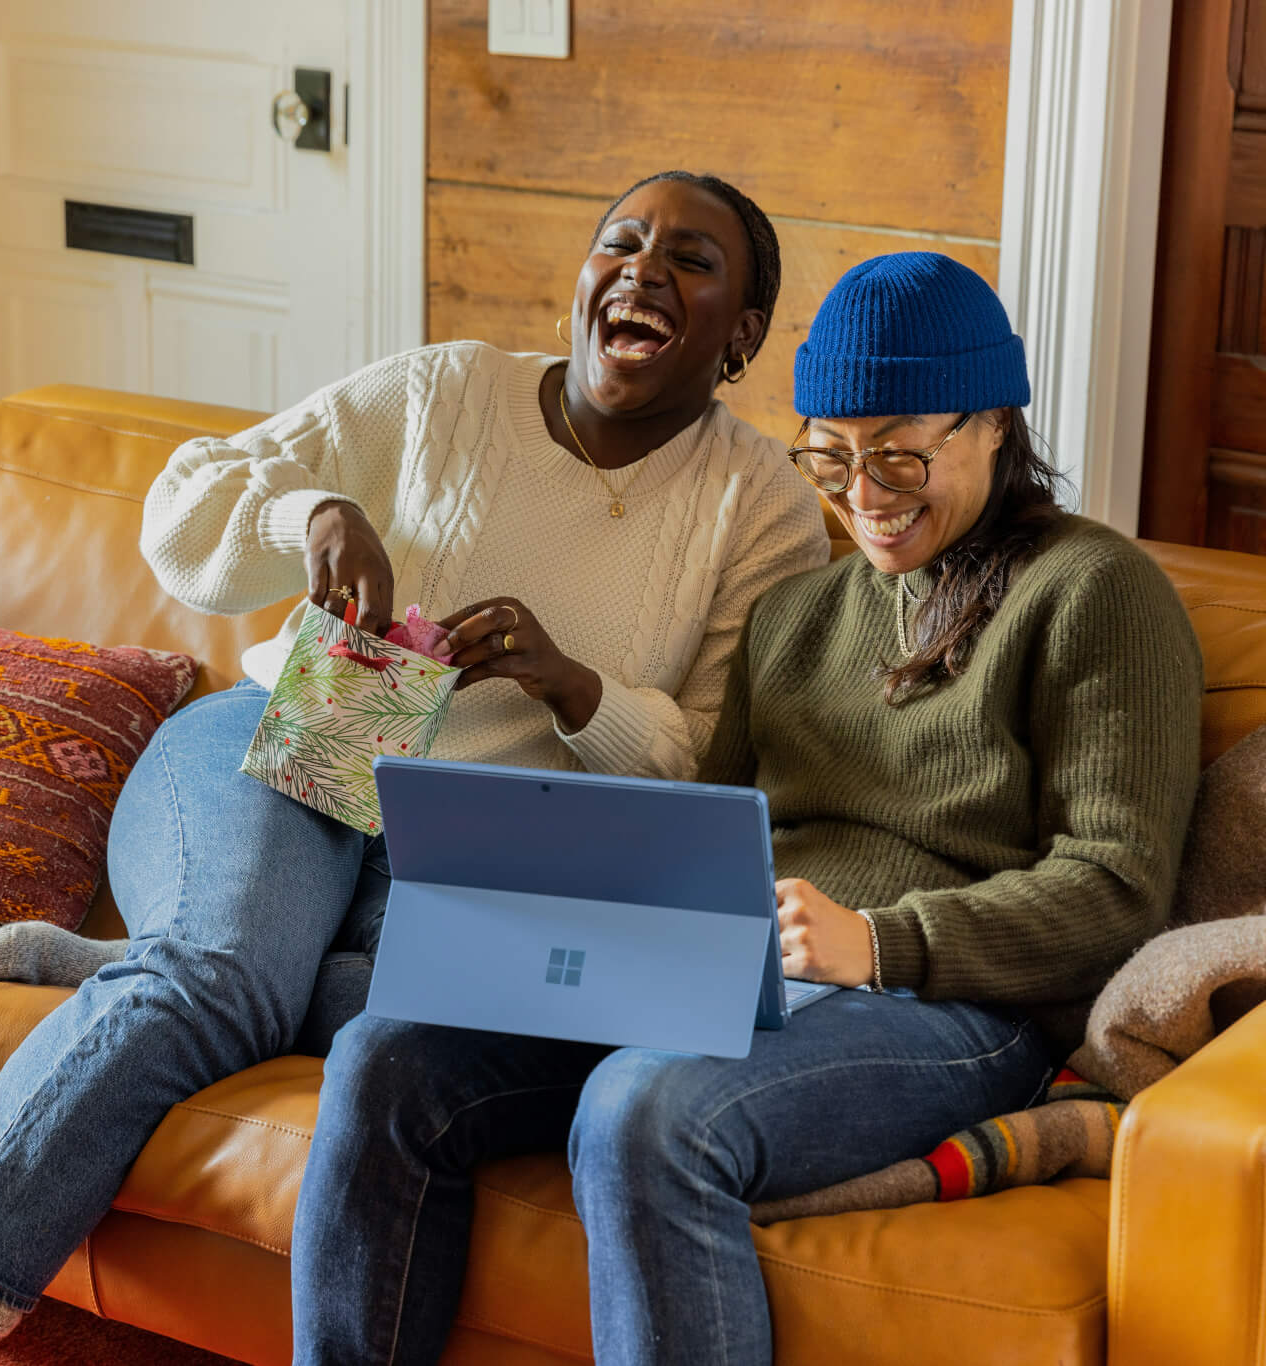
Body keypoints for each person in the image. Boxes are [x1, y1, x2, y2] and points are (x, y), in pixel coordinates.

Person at [0, 170, 830, 1366]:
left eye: (689, 261)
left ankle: (134, 966)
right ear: (583, 279)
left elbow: (707, 763)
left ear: (738, 336)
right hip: (291, 735)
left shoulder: (765, 512)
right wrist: (313, 517)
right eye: (619, 243)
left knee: (404, 1019)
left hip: (485, 840)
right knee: (225, 974)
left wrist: (570, 684)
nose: (641, 270)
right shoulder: (446, 391)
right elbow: (184, 506)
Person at [289, 252, 1206, 1365]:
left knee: (644, 1109)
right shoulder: (796, 617)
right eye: (831, 454)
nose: (862, 493)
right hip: (741, 972)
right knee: (388, 1050)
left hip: (952, 1001)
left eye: (899, 452)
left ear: (993, 424)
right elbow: (709, 833)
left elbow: (1116, 887)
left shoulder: (1095, 591)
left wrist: (880, 940)